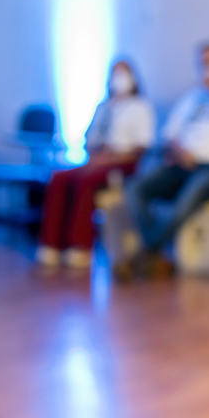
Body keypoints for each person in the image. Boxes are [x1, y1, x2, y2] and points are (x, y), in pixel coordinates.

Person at [124, 42, 209, 279]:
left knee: (186, 199)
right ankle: (155, 252)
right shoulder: (191, 98)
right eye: (204, 63)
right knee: (135, 189)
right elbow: (169, 135)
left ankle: (149, 251)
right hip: (184, 165)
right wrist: (179, 152)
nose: (208, 68)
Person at [36, 59, 155, 270]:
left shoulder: (140, 108)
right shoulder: (103, 107)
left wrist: (110, 158)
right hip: (96, 160)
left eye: (123, 73)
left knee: (87, 182)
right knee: (59, 178)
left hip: (122, 164)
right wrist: (95, 156)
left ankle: (80, 246)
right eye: (115, 73)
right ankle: (52, 244)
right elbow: (89, 139)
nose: (119, 79)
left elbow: (140, 148)